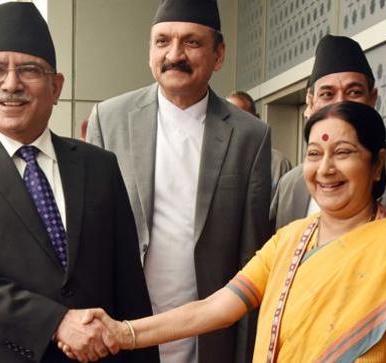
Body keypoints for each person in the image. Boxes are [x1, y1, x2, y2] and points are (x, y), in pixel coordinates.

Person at [70, 101, 386, 362]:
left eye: (344, 152)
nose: (326, 168)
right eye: (315, 154)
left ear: (378, 164)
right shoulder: (289, 240)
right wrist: (122, 333)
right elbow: (214, 308)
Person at [0, 3, 157, 362]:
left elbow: (129, 286)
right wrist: (57, 322)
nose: (11, 84)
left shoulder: (99, 165)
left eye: (29, 70)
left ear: (56, 86)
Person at [87, 0, 272, 362]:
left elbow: (252, 255)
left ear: (218, 54)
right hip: (126, 321)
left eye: (191, 42)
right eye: (162, 42)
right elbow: (91, 238)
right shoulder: (109, 119)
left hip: (209, 330)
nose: (174, 55)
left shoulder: (251, 135)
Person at [270, 35, 386, 238]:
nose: (341, 104)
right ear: (310, 103)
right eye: (327, 94)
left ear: (372, 99)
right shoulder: (290, 186)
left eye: (354, 92)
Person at [226, 91, 292, 198]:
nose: (234, 124)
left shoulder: (278, 163)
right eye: (229, 118)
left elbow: (285, 207)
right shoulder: (216, 162)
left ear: (257, 118)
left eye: (241, 117)